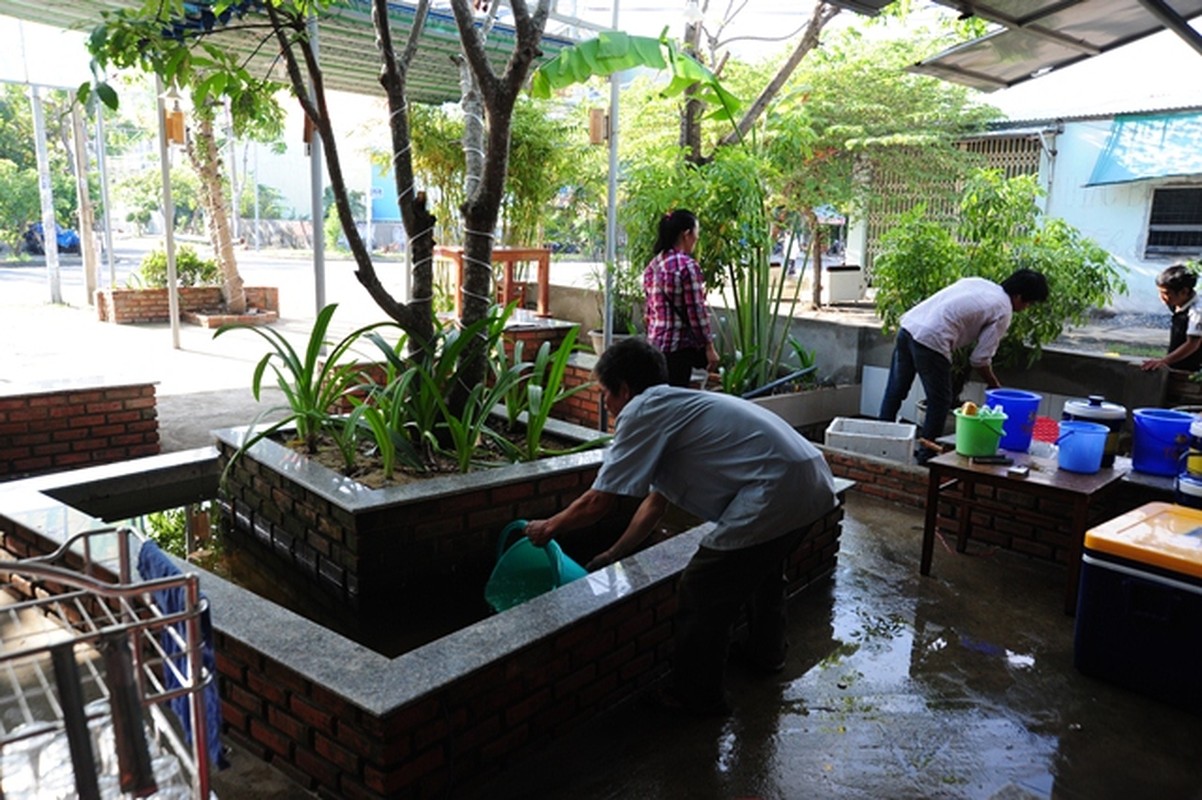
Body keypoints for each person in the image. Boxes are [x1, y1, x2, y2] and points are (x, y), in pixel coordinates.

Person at [524, 338, 837, 715]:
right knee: (764, 571)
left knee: (702, 585)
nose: (605, 403)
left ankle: (696, 696)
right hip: (812, 480)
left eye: (605, 393)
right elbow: (655, 503)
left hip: (775, 490)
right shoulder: (674, 405)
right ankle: (765, 655)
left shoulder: (641, 411)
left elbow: (599, 501)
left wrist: (549, 527)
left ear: (624, 389)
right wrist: (613, 554)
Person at [878, 269, 1049, 463]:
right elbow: (980, 359)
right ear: (1019, 297)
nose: (1026, 308)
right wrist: (994, 385)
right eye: (1029, 303)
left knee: (896, 390)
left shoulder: (981, 283)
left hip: (909, 326)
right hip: (933, 339)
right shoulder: (1003, 310)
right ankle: (927, 456)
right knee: (940, 402)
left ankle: (882, 445)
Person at [642, 209, 720, 387]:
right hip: (678, 351)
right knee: (676, 403)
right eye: (696, 235)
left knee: (659, 401)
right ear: (686, 234)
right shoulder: (687, 267)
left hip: (655, 348)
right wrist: (709, 348)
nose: (696, 240)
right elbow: (696, 313)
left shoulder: (652, 266)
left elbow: (649, 312)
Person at [1141, 264, 1202, 373]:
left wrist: (1164, 361)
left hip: (1191, 370)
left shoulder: (1197, 312)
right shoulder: (1178, 302)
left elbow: (1193, 343)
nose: (1162, 298)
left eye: (1166, 293)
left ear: (1184, 292)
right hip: (1176, 365)